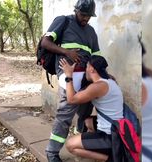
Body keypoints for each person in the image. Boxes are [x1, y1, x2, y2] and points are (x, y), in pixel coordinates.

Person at [41, 0, 101, 161]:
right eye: (83, 15)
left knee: (85, 111)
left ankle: (78, 140)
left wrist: (103, 74)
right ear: (76, 11)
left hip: (87, 77)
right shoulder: (64, 21)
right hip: (68, 73)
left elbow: (96, 56)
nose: (85, 19)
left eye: (89, 16)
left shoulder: (91, 32)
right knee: (66, 113)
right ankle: (52, 152)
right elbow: (45, 42)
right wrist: (66, 52)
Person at [59, 55, 124, 161]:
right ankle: (96, 146)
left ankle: (109, 158)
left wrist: (68, 75)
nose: (85, 70)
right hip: (118, 127)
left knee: (70, 145)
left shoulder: (98, 86)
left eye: (86, 67)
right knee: (87, 122)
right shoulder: (110, 81)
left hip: (111, 135)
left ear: (92, 69)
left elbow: (71, 100)